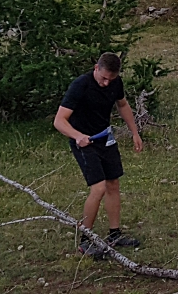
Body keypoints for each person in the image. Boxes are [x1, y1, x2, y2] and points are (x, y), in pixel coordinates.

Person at [54, 52, 144, 258]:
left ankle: (114, 235)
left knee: (113, 183)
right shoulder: (81, 85)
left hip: (105, 138)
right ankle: (86, 240)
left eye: (110, 79)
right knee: (99, 187)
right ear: (96, 68)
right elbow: (59, 121)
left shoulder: (115, 82)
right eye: (103, 78)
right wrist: (78, 136)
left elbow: (122, 105)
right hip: (83, 141)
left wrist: (134, 132)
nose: (106, 83)